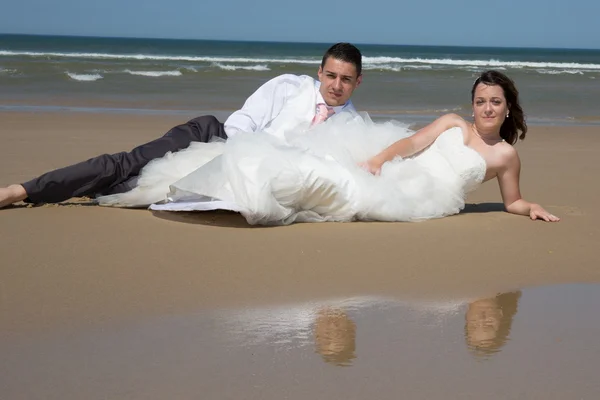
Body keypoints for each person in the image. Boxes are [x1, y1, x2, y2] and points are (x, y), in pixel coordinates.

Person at [94, 70, 559, 225]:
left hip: (424, 200)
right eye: (480, 100)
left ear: (507, 106)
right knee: (328, 172)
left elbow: (512, 200)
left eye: (495, 102)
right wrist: (378, 158)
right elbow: (412, 142)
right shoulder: (453, 123)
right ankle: (233, 187)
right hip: (397, 170)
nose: (486, 108)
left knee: (338, 195)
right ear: (472, 104)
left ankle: (249, 197)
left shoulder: (505, 157)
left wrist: (530, 207)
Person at [0, 43, 364, 209]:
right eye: (330, 75)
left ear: (357, 83)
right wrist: (239, 157)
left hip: (251, 173)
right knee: (127, 164)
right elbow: (244, 122)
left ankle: (69, 190)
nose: (335, 85)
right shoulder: (288, 86)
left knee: (127, 190)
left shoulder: (352, 126)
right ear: (319, 72)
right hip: (215, 137)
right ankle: (18, 190)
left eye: (345, 80)